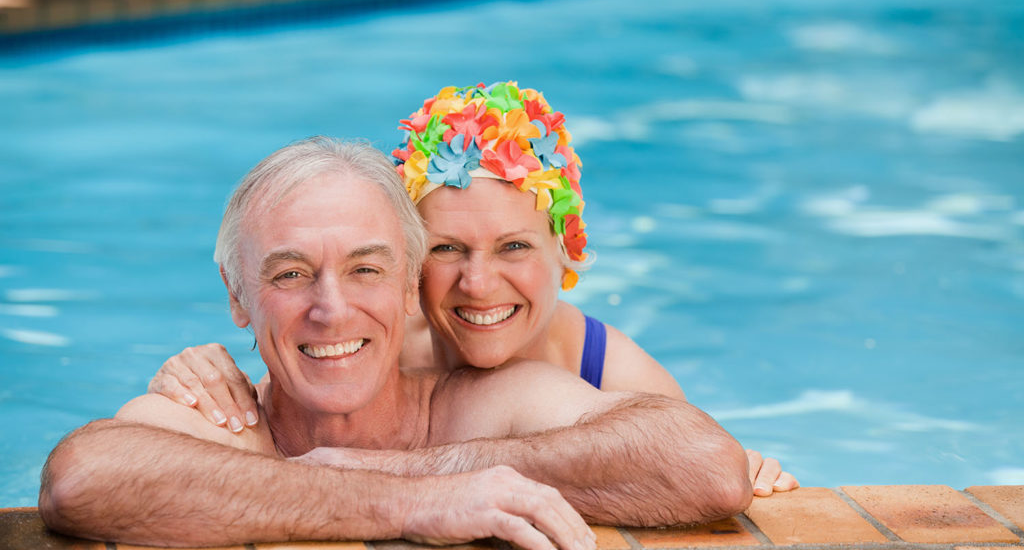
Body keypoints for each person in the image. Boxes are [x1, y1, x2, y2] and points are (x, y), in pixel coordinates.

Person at [39, 137, 752, 548]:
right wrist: (407, 504)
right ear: (236, 296)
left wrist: (435, 468)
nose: (331, 308)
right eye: (290, 274)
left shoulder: (484, 405)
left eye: (366, 269)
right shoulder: (225, 420)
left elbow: (707, 466)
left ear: (411, 284)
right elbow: (77, 480)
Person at [148, 82, 797, 496]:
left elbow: (690, 465)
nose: (479, 284)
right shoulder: (372, 342)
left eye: (514, 246)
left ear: (566, 249)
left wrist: (748, 466)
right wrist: (202, 366)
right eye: (446, 250)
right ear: (406, 270)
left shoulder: (617, 372)